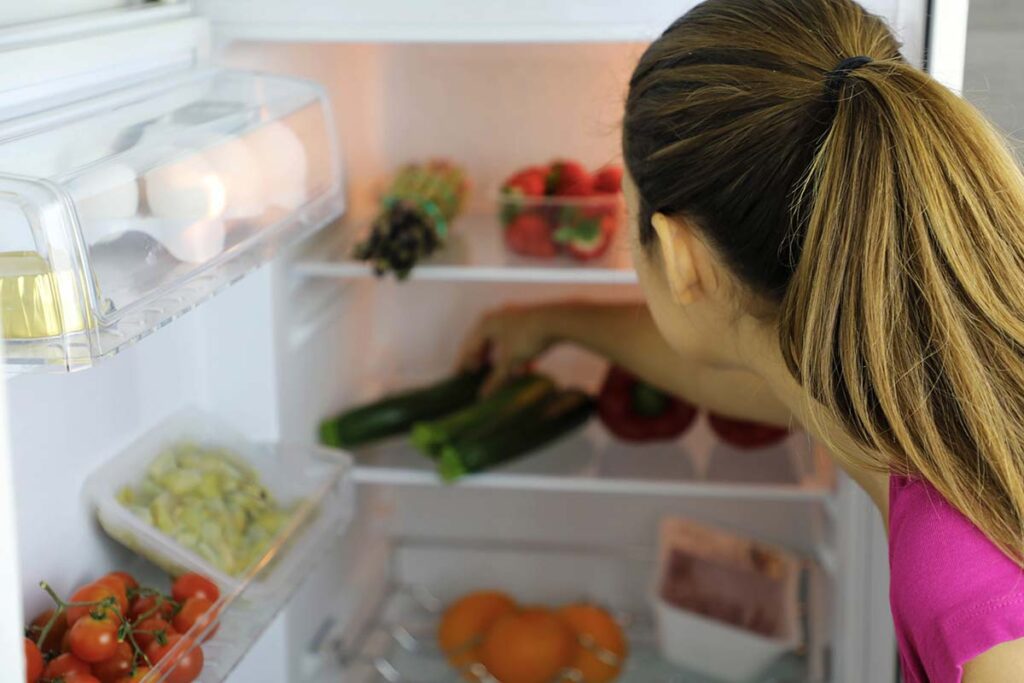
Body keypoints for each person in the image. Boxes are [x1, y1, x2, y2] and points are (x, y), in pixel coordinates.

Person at [460, 1, 1024, 681]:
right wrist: (558, 321)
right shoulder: (923, 390)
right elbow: (755, 371)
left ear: (679, 255)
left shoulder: (971, 609)